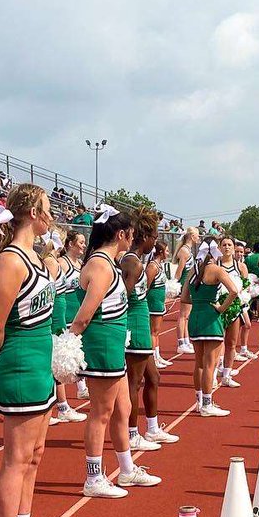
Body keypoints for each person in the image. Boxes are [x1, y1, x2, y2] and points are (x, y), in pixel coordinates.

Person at [0, 184, 63, 517]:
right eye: (47, 208)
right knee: (15, 460)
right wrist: (1, 365)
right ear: (32, 211)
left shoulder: (33, 255)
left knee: (35, 455)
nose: (52, 215)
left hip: (40, 366)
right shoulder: (11, 262)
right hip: (20, 366)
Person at [69, 205, 161, 497]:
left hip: (114, 344)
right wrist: (68, 343)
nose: (132, 239)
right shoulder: (99, 264)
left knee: (123, 408)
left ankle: (126, 469)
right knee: (101, 412)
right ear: (121, 234)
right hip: (102, 346)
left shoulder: (110, 262)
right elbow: (85, 315)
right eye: (130, 234)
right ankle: (93, 477)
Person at [122, 208, 178, 449]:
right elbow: (121, 295)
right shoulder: (131, 263)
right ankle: (132, 434)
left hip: (141, 323)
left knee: (153, 377)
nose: (155, 243)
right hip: (134, 325)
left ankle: (153, 429)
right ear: (145, 237)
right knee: (134, 383)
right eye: (154, 237)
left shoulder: (137, 262)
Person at [188, 240, 240, 417]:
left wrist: (199, 301)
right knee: (210, 364)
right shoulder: (217, 270)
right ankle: (207, 404)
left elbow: (184, 298)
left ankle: (198, 401)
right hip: (211, 319)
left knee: (199, 363)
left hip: (194, 318)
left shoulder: (193, 271)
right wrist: (221, 308)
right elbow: (234, 291)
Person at [48, 228, 88, 426]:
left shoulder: (74, 263)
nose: (83, 245)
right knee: (56, 360)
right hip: (61, 315)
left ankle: (63, 404)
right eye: (79, 241)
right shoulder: (57, 263)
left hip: (65, 314)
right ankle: (62, 406)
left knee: (60, 359)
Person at [216, 236, 249, 388]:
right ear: (219, 247)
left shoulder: (240, 266)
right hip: (218, 309)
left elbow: (245, 287)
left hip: (234, 308)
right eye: (224, 245)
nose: (227, 247)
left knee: (231, 343)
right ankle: (215, 371)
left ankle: (227, 375)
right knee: (217, 343)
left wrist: (242, 302)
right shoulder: (214, 265)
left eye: (230, 245)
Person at [174, 226, 200, 353]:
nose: (199, 238)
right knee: (183, 315)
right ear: (191, 236)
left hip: (189, 285)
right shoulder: (185, 251)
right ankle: (181, 342)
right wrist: (175, 286)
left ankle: (186, 340)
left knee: (187, 315)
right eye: (197, 235)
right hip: (185, 285)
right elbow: (179, 272)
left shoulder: (189, 250)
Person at [147, 237, 171, 368]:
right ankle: (153, 359)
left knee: (157, 331)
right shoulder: (152, 266)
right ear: (160, 252)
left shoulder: (160, 265)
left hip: (159, 303)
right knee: (153, 331)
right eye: (166, 251)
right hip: (152, 303)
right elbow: (146, 286)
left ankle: (157, 356)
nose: (168, 253)